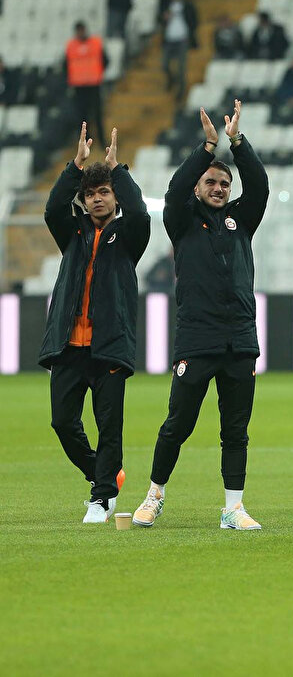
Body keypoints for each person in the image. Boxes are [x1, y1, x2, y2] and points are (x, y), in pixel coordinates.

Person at [132, 100, 270, 530]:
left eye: (224, 183)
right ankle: (154, 496)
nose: (219, 187)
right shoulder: (182, 220)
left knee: (236, 430)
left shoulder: (241, 221)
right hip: (197, 338)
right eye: (211, 181)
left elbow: (260, 187)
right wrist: (207, 148)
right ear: (198, 186)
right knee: (178, 424)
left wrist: (237, 143)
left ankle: (233, 507)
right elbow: (175, 191)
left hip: (241, 341)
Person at [40, 124, 150, 523]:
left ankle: (103, 498)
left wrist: (116, 168)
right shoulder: (72, 233)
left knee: (109, 426)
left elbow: (139, 211)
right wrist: (76, 166)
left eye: (103, 192)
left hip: (108, 345)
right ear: (83, 201)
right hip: (69, 344)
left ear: (114, 196)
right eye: (89, 194)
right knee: (62, 421)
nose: (97, 199)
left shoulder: (130, 234)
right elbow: (52, 209)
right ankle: (101, 474)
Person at [65, 22, 107, 141]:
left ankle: (101, 139)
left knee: (97, 114)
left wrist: (97, 73)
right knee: (82, 116)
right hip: (79, 86)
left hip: (94, 84)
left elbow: (105, 60)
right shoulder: (71, 46)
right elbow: (66, 65)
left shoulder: (95, 43)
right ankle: (87, 140)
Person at [161, 0, 198, 99]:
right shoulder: (166, 5)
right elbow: (160, 21)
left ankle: (181, 92)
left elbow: (194, 20)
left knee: (181, 67)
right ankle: (171, 80)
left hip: (182, 38)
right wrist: (165, 18)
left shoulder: (188, 6)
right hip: (169, 39)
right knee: (164, 64)